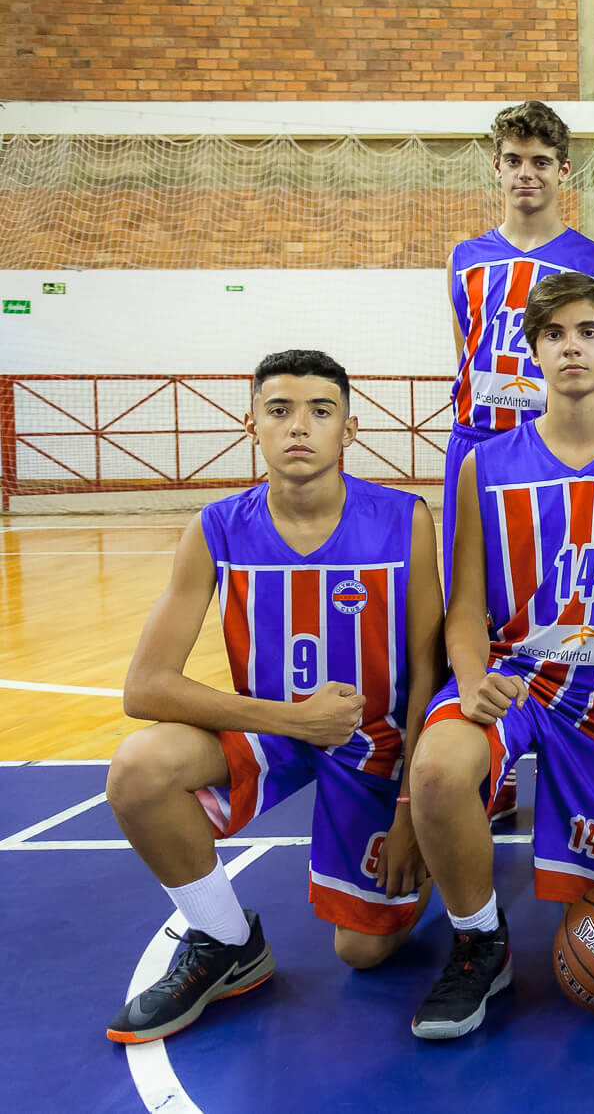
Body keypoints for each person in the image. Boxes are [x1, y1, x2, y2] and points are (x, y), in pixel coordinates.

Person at [105, 350, 441, 1043]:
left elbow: (428, 670)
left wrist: (416, 808)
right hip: (274, 729)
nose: (299, 427)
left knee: (363, 952)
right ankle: (229, 942)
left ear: (349, 430)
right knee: (138, 769)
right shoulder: (217, 527)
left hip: (376, 737)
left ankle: (438, 850)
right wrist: (294, 720)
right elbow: (146, 685)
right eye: (280, 410)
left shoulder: (404, 519)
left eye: (320, 412)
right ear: (251, 422)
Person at [406, 272, 594, 1040]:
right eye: (555, 334)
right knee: (437, 768)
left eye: (588, 332)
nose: (572, 346)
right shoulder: (485, 464)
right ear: (532, 350)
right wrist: (472, 683)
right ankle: (479, 941)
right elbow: (464, 606)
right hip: (511, 680)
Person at [446, 100, 594, 824]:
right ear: (496, 168)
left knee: (562, 601)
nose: (526, 173)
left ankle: (578, 736)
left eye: (540, 161)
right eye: (513, 160)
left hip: (562, 456)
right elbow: (464, 349)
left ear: (563, 171)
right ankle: (489, 748)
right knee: (473, 604)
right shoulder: (465, 257)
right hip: (480, 447)